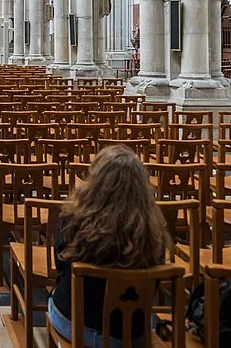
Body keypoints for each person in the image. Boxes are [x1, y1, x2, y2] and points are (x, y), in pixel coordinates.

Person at [49, 145, 171, 348]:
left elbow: (60, 265)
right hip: (131, 334)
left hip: (78, 325)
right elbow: (154, 285)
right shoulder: (153, 229)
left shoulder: (74, 218)